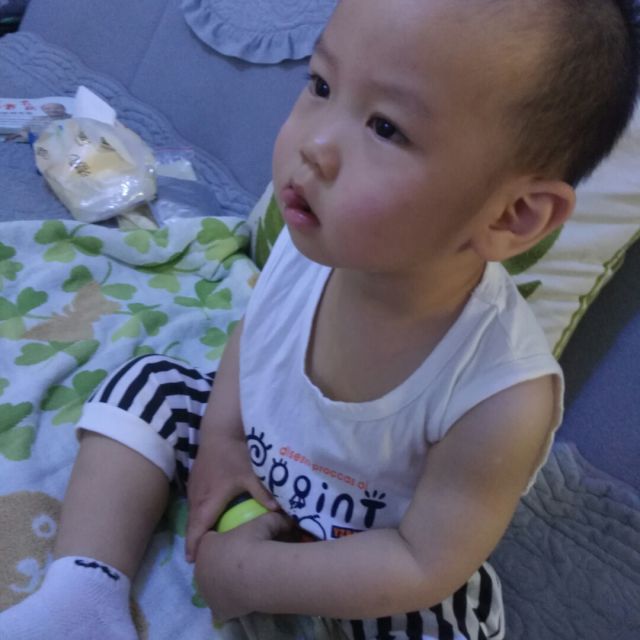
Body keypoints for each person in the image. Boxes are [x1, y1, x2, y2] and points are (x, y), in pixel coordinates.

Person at [1, 0, 638, 638]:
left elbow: (426, 561)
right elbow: (254, 338)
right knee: (149, 384)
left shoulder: (502, 397)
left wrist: (254, 576)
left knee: (451, 623)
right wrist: (222, 442)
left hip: (371, 552)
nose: (313, 144)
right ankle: (82, 593)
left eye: (385, 128)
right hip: (257, 466)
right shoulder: (311, 244)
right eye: (322, 85)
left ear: (511, 216)